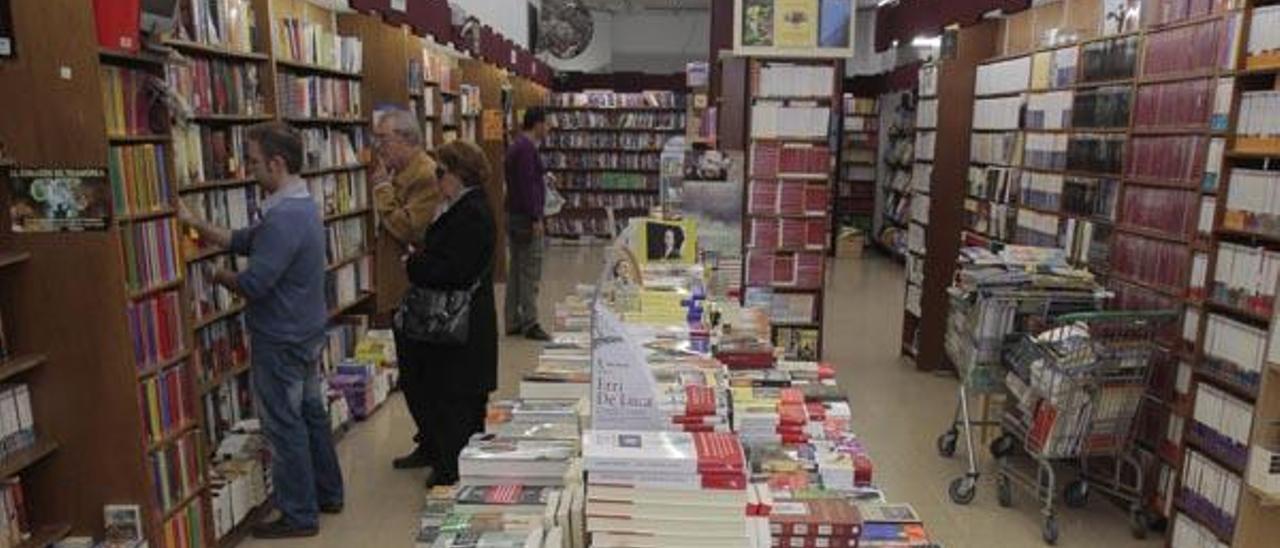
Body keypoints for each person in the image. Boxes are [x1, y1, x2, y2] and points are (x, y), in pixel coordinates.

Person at [179, 122, 343, 539]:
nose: (248, 169)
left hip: (281, 337)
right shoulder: (300, 206)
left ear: (277, 163)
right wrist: (194, 223)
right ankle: (328, 493)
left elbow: (254, 283)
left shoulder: (283, 218)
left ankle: (299, 514)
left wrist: (215, 276)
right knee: (311, 414)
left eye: (253, 162)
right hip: (304, 332)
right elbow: (242, 239)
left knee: (284, 425)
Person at [398, 140, 498, 487]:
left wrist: (413, 263)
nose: (436, 180)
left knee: (456, 399)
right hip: (462, 324)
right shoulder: (461, 206)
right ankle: (449, 459)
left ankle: (452, 469)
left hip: (460, 326)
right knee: (453, 396)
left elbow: (453, 270)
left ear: (458, 175)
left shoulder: (471, 213)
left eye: (441, 173)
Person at [369, 108, 446, 472]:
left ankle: (434, 443)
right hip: (401, 289)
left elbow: (411, 229)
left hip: (415, 291)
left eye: (384, 140)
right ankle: (428, 439)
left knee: (421, 376)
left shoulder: (425, 175)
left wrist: (383, 193)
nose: (378, 148)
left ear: (408, 139)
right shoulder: (403, 173)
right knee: (412, 375)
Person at [504, 107, 552, 341]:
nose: (549, 128)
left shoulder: (518, 146)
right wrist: (536, 217)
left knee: (516, 270)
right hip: (526, 218)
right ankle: (530, 322)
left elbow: (529, 179)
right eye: (547, 124)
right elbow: (527, 186)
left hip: (515, 215)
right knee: (531, 270)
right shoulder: (525, 149)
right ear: (538, 124)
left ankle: (512, 319)